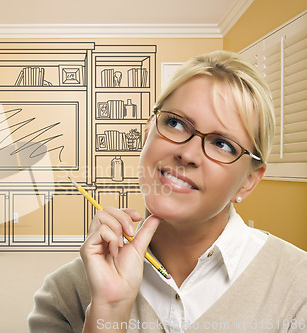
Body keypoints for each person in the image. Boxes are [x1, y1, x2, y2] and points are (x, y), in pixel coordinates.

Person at [27, 51, 307, 332]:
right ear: (148, 132)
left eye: (222, 144)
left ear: (249, 181)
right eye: (175, 123)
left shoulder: (299, 287)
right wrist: (109, 313)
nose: (187, 154)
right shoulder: (63, 296)